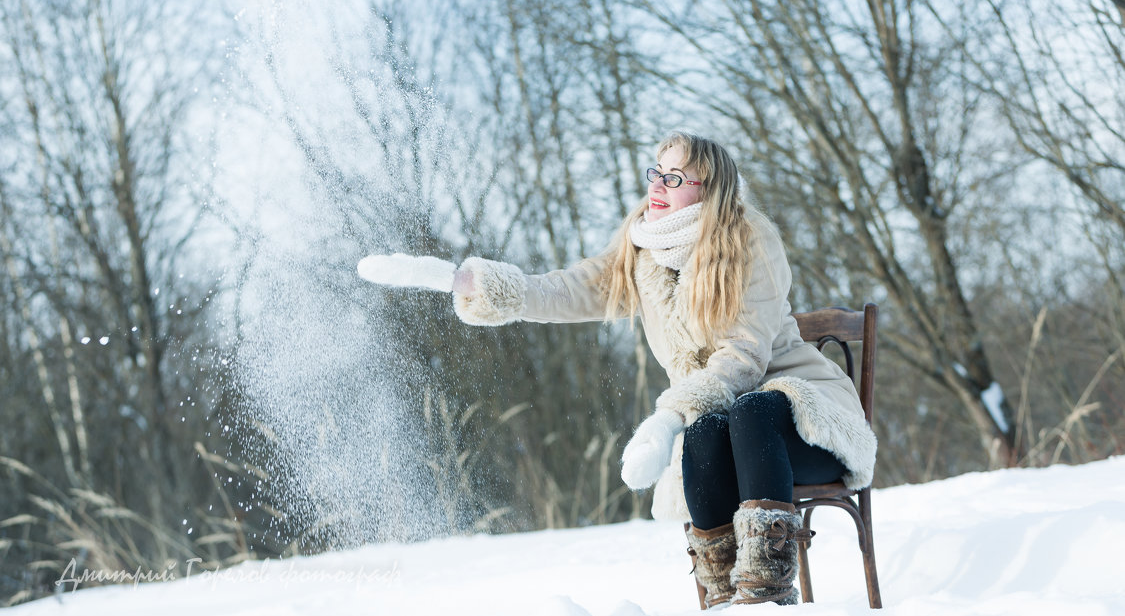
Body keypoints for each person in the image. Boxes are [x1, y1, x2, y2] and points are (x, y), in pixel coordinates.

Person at [357, 131, 876, 607]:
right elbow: (574, 287)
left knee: (747, 412)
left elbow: (744, 357)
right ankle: (724, 598)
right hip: (723, 424)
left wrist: (667, 416)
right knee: (705, 433)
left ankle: (765, 592)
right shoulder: (644, 247)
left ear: (708, 188)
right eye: (656, 172)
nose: (659, 185)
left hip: (802, 420)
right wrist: (467, 282)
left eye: (675, 178)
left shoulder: (749, 240)